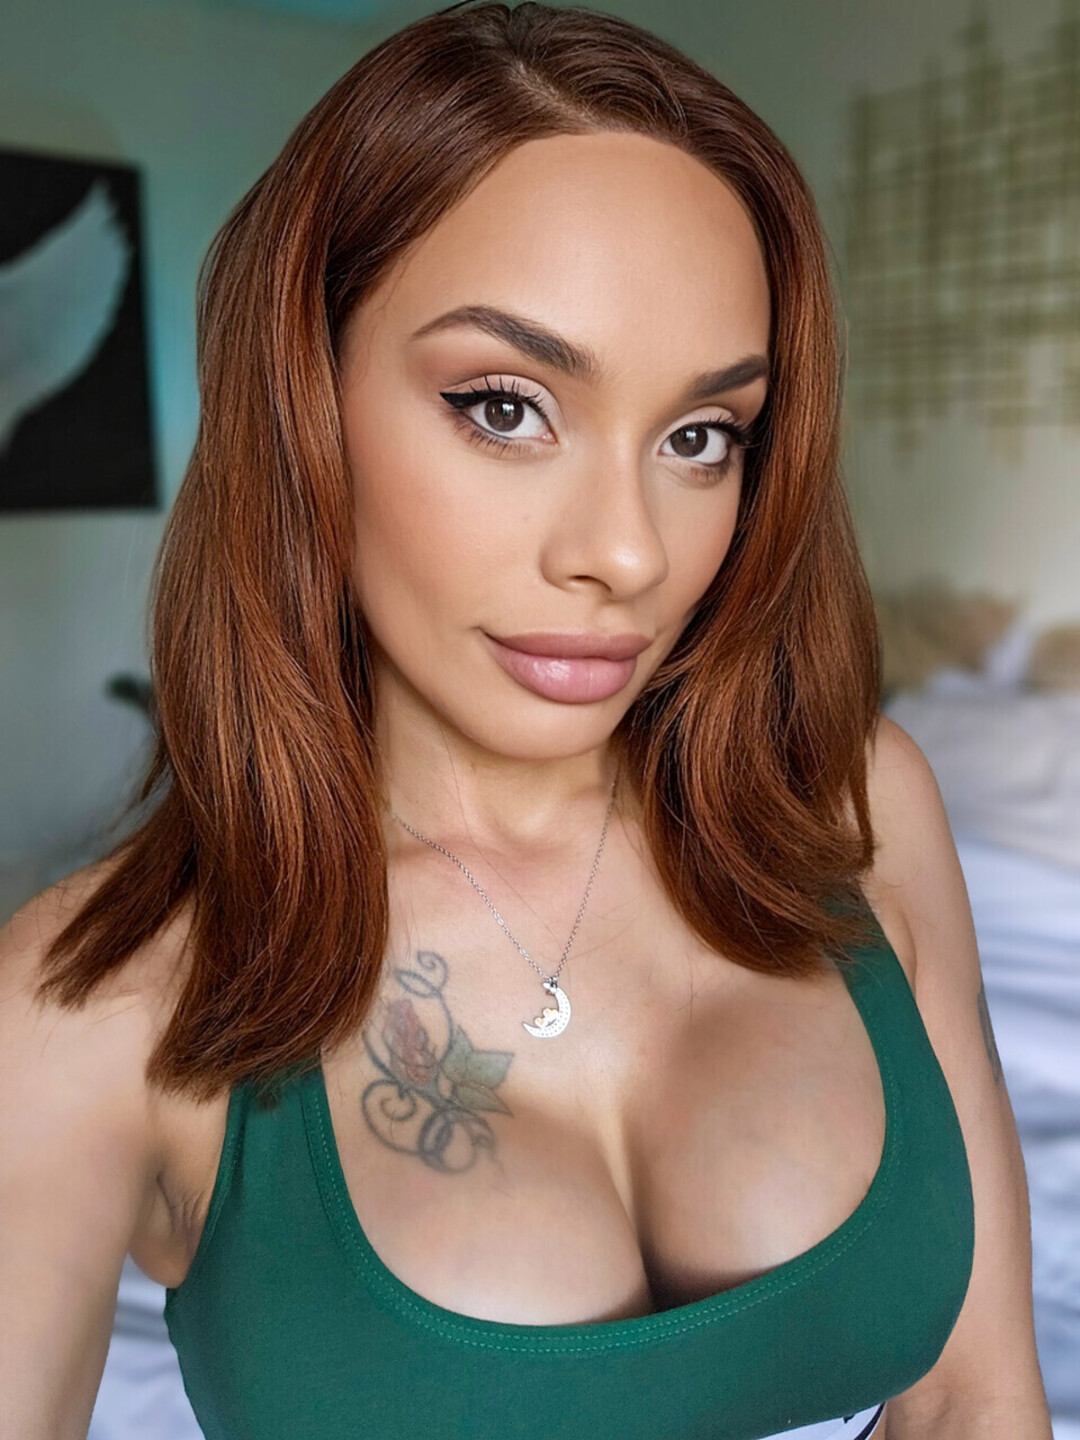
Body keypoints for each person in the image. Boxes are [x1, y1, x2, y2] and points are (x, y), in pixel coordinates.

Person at [0, 3, 1052, 1437]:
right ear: (304, 400)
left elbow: (976, 1403)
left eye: (701, 437)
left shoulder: (857, 809)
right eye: (505, 408)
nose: (626, 552)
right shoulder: (88, 1007)